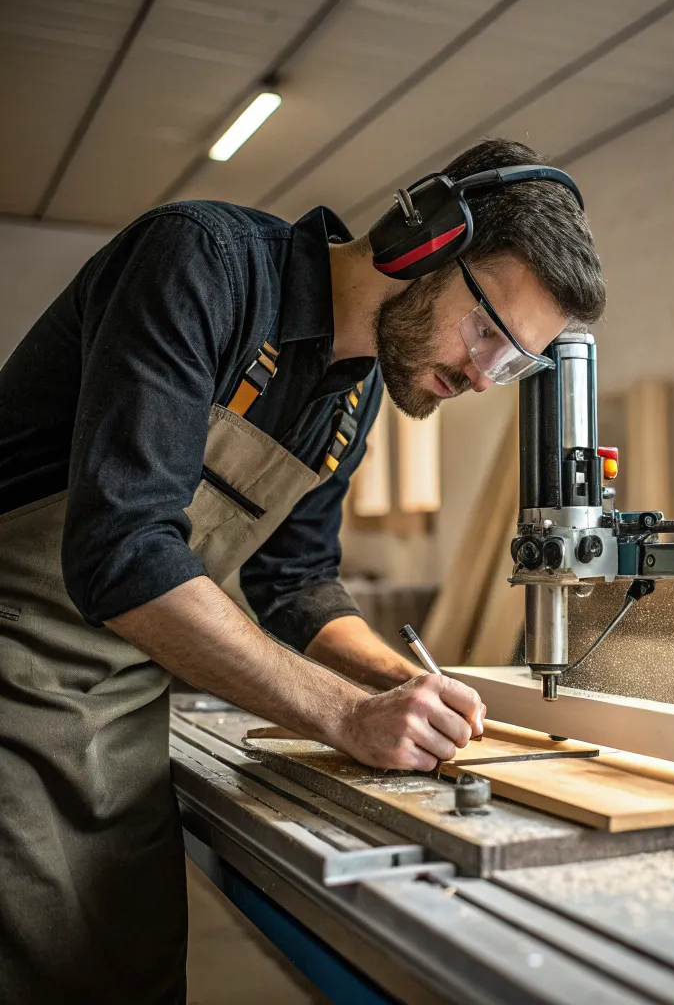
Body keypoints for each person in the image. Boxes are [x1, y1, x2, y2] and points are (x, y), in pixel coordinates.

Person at [0, 137, 606, 1004]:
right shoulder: (201, 266)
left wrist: (404, 683)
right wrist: (346, 715)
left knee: (123, 975)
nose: (480, 376)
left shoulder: (354, 391)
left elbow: (295, 579)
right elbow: (122, 551)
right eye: (486, 332)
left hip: (123, 707)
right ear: (422, 242)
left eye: (510, 364)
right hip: (11, 679)